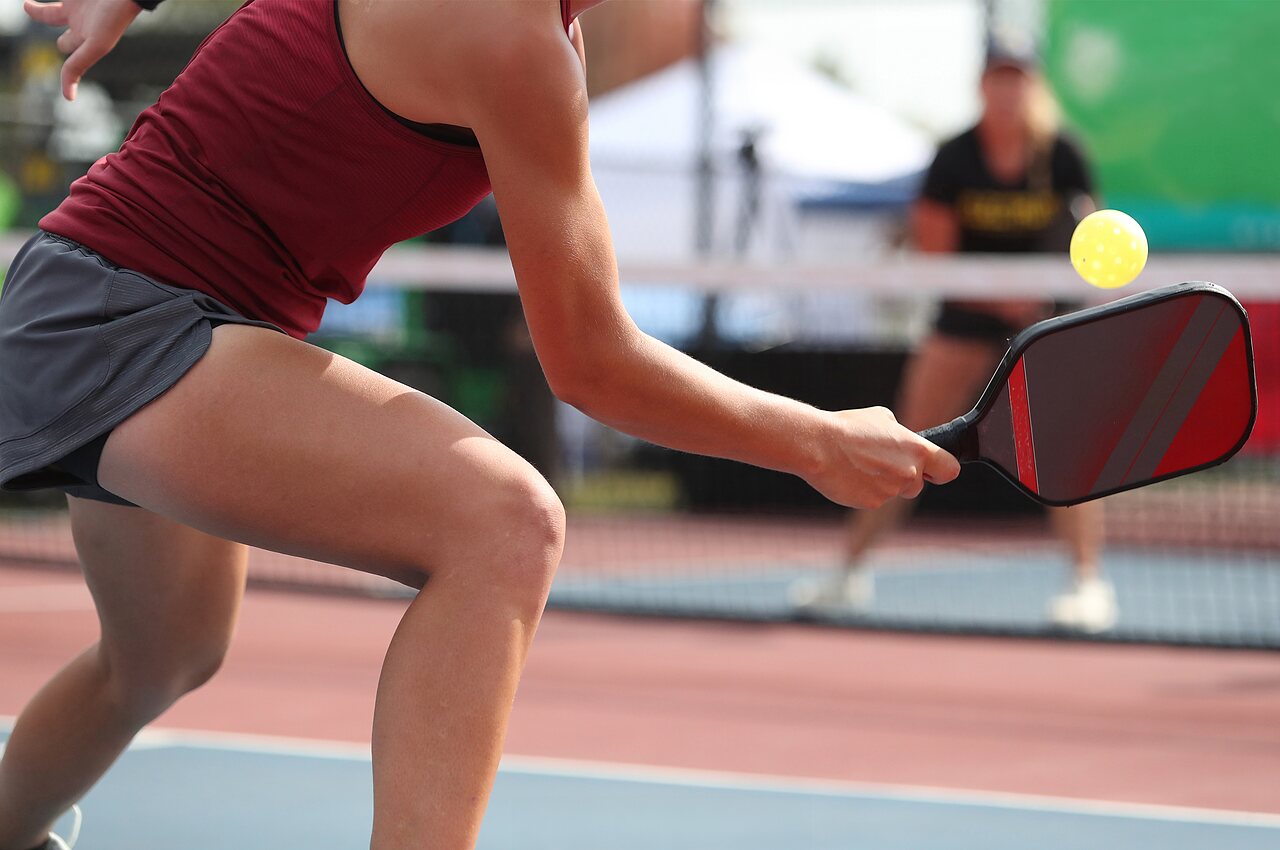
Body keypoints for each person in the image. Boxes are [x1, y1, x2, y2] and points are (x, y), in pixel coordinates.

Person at [0, 1, 960, 848]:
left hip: (125, 298)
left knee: (165, 653)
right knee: (503, 524)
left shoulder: (547, 39)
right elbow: (590, 361)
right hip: (127, 312)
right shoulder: (510, 36)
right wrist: (815, 440)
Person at [790, 38, 1116, 634]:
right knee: (907, 443)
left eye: (1018, 77)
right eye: (998, 77)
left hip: (1043, 328)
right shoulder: (955, 158)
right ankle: (848, 573)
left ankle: (1089, 583)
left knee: (1069, 454)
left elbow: (1091, 246)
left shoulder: (1063, 156)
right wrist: (1002, 297)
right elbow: (936, 257)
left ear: (1035, 86)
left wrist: (1049, 299)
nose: (1008, 88)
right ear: (982, 85)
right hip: (963, 323)